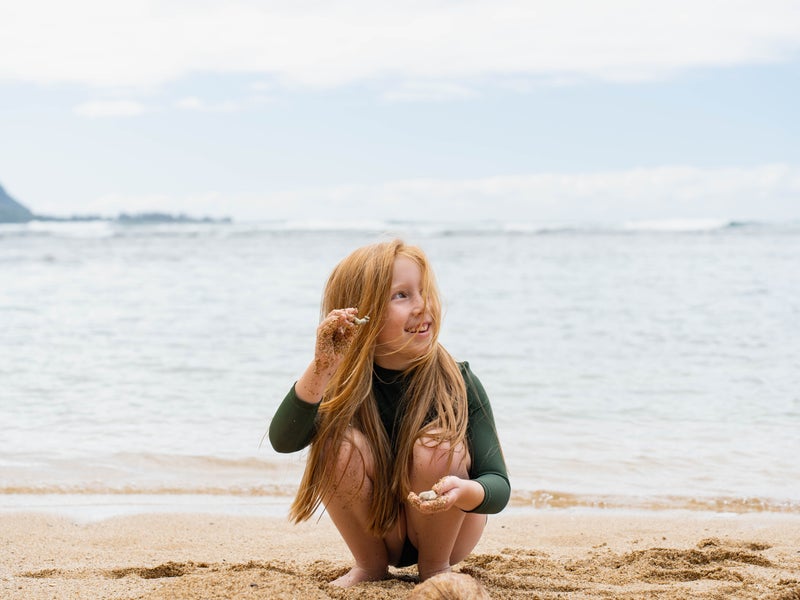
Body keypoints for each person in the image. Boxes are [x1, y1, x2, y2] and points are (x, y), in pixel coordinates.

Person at [268, 239, 510, 588]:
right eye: (402, 295)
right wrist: (322, 368)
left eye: (424, 291)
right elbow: (284, 440)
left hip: (449, 530)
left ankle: (435, 568)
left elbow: (498, 484)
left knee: (438, 446)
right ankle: (369, 566)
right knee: (337, 444)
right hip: (381, 527)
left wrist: (466, 491)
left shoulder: (458, 380)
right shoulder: (342, 384)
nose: (422, 305)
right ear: (360, 314)